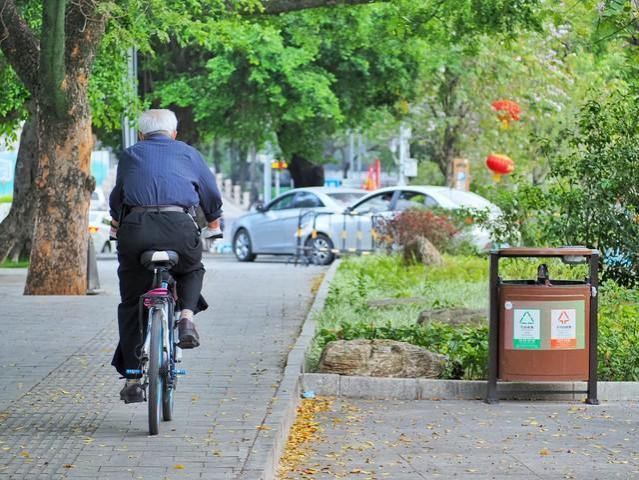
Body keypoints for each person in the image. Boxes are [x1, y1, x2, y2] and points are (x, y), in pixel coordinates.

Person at [109, 109, 223, 403]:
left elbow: (118, 197)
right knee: (192, 269)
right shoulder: (188, 153)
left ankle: (133, 377)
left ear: (142, 135)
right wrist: (213, 224)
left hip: (136, 231)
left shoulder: (131, 154)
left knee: (133, 302)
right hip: (179, 229)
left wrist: (115, 224)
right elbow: (209, 192)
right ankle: (186, 317)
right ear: (174, 133)